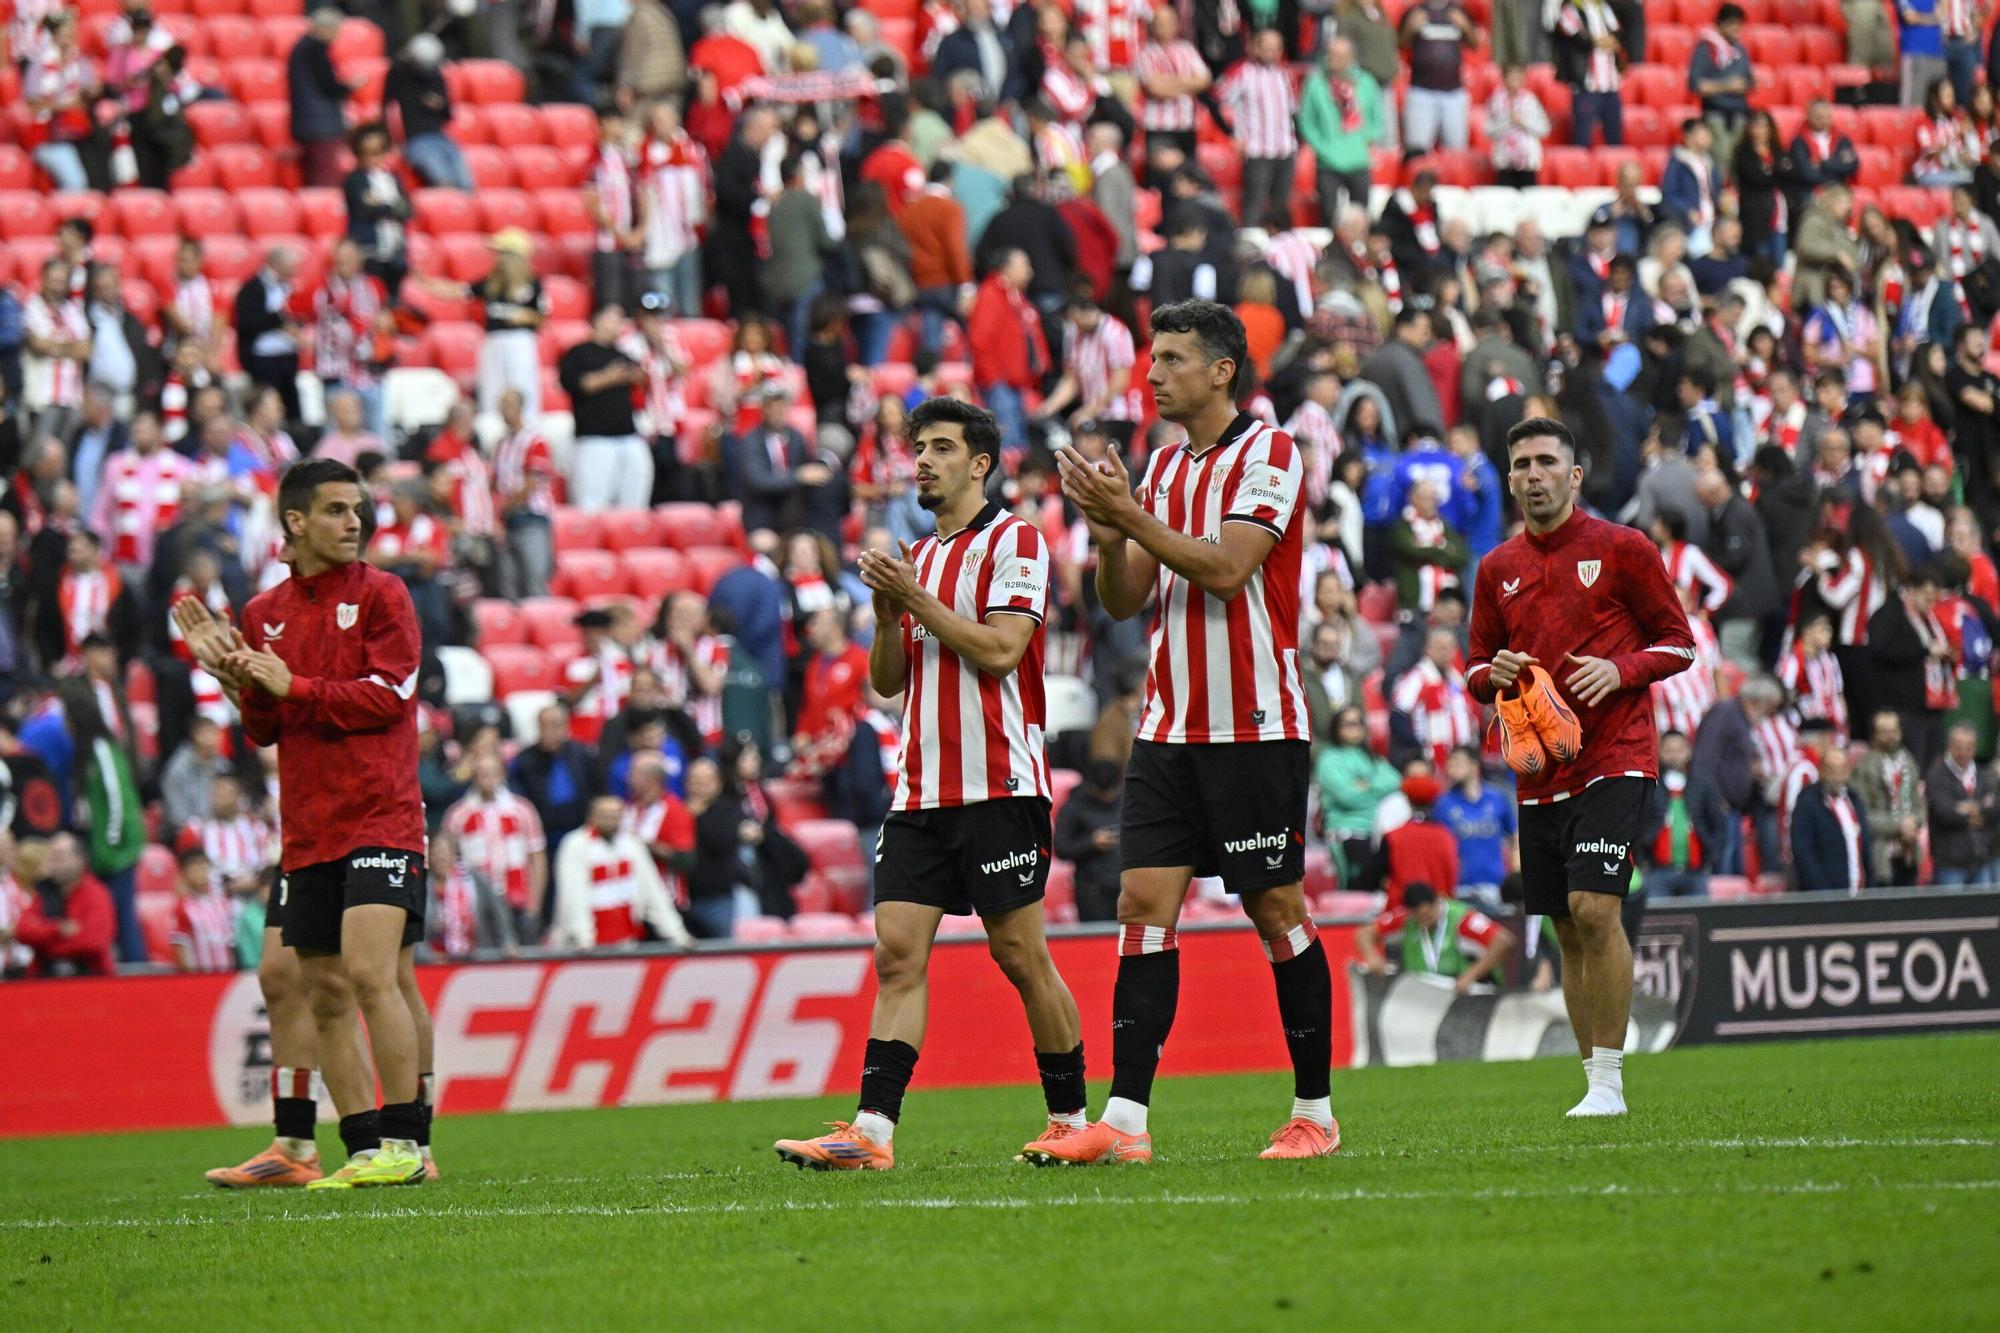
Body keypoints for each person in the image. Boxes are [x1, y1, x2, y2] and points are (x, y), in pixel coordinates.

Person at [1031, 300, 1338, 1165]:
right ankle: (1125, 1122)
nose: (1153, 373)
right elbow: (1126, 598)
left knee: (1275, 907)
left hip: (1255, 723)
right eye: (1152, 356)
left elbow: (1229, 567)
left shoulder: (1270, 452)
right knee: (1141, 908)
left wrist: (1128, 518)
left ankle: (1314, 1111)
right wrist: (1103, 532)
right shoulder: (1162, 467)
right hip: (1169, 728)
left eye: (1170, 358)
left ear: (1221, 370)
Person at [775, 396, 1087, 1170]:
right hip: (920, 790)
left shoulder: (1015, 540)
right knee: (897, 956)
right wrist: (887, 617)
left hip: (999, 784)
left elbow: (1002, 649)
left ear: (980, 463)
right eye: (919, 447)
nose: (922, 460)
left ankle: (1071, 1117)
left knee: (1020, 955)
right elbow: (888, 682)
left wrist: (912, 598)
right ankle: (872, 1132)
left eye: (941, 447)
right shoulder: (915, 556)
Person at [174, 458, 431, 1189]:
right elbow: (265, 726)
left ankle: (408, 1144)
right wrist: (236, 676)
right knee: (320, 987)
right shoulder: (263, 613)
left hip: (381, 813)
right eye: (337, 509)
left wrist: (297, 684)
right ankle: (357, 1148)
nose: (355, 522)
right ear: (295, 521)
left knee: (372, 973)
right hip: (309, 825)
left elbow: (391, 695)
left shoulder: (385, 594)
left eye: (358, 509)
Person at [1469, 417, 1696, 1117]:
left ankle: (1610, 1084)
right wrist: (1493, 674)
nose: (1532, 474)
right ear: (1509, 479)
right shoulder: (1496, 568)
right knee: (1566, 926)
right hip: (1539, 767)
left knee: (1595, 906)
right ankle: (1594, 1081)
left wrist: (1620, 669)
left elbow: (1680, 645)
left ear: (1574, 475)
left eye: (1545, 462)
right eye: (1521, 464)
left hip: (1616, 753)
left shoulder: (1623, 548)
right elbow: (1474, 668)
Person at [548, 794, 692, 950]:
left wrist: (678, 935)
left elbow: (653, 892)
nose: (611, 821)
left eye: (616, 816)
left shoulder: (632, 845)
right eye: (606, 816)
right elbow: (573, 896)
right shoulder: (576, 845)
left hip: (626, 942)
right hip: (585, 947)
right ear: (591, 817)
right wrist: (584, 940)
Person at [559, 304, 652, 511]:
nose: (617, 325)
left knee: (634, 502)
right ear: (597, 320)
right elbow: (577, 384)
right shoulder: (577, 353)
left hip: (628, 436)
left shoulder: (624, 354)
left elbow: (642, 382)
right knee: (592, 505)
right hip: (594, 438)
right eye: (612, 318)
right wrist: (611, 377)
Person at [1356, 881, 1514, 991]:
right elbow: (1364, 933)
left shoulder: (1463, 919)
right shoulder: (1407, 920)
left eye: (1427, 914)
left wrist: (1472, 974)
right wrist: (1373, 957)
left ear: (1438, 901)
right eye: (1418, 917)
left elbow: (1504, 942)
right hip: (1428, 995)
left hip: (1468, 993)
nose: (1424, 920)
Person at [1636, 729, 1728, 897]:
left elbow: (1718, 825)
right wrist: (1641, 860)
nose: (1674, 755)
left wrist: (1712, 859)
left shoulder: (1703, 785)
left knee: (1701, 920)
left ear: (1688, 752)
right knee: (1658, 921)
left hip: (1696, 872)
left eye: (1679, 750)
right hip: (1657, 872)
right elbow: (1638, 824)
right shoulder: (1649, 786)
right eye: (1668, 750)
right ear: (1659, 752)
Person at [14, 833, 115, 976]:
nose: (54, 864)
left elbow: (94, 942)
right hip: (45, 977)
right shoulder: (45, 892)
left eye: (60, 858)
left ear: (79, 860)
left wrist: (45, 946)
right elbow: (22, 930)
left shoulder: (96, 893)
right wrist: (57, 929)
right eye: (52, 858)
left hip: (89, 977)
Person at [1434, 746, 1515, 912]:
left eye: (1457, 763)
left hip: (1495, 886)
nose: (1451, 769)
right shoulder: (1443, 804)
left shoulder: (1496, 798)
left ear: (1474, 766)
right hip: (1460, 888)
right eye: (1449, 764)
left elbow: (1515, 837)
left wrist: (1514, 876)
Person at [1854, 709, 1926, 885]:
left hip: (1908, 851)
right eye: (1884, 732)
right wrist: (1898, 825)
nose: (1891, 736)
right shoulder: (1864, 767)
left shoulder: (1907, 761)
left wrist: (1914, 822)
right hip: (1881, 854)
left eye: (1894, 731)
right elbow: (1862, 815)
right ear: (1874, 735)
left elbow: (1919, 805)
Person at [1927, 721, 2000, 884]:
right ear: (1949, 746)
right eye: (1958, 746)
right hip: (1950, 863)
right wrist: (1980, 810)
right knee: (1950, 909)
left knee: (1985, 909)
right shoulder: (1937, 775)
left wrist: (1966, 808)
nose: (1963, 752)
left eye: (1969, 747)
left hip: (1981, 859)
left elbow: (1995, 810)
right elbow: (1944, 813)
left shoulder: (1984, 776)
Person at [1790, 746, 1872, 892]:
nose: (1836, 776)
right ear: (1820, 771)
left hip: (1860, 893)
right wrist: (1824, 893)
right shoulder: (1807, 802)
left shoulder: (1854, 799)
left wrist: (1872, 884)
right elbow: (1803, 852)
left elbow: (1865, 845)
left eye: (1841, 770)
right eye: (1831, 770)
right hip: (1827, 896)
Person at [169, 845, 235, 973]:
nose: (202, 874)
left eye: (204, 868)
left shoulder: (223, 903)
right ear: (184, 874)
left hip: (227, 977)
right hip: (200, 979)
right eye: (195, 870)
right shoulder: (183, 907)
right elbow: (180, 946)